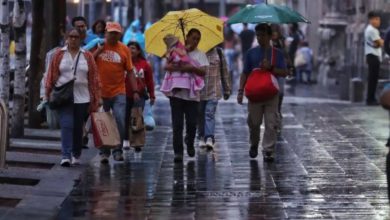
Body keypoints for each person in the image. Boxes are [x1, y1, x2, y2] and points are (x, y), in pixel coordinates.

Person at [45, 28, 101, 166]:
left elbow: (94, 78)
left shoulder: (87, 55)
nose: (74, 39)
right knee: (66, 125)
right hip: (64, 96)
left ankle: (76, 154)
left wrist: (96, 98)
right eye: (71, 36)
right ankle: (65, 155)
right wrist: (47, 93)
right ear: (67, 38)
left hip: (83, 97)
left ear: (81, 39)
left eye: (76, 37)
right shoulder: (59, 54)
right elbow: (51, 75)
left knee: (77, 128)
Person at [237, 24, 287, 162]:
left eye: (263, 35)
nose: (260, 38)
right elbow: (245, 73)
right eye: (258, 35)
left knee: (271, 123)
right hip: (255, 94)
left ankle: (268, 150)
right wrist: (240, 91)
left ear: (270, 36)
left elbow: (284, 72)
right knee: (254, 123)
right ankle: (254, 143)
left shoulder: (277, 53)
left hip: (271, 94)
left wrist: (270, 67)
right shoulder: (251, 53)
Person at [93, 22, 140, 163]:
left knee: (120, 120)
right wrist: (98, 51)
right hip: (101, 92)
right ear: (106, 33)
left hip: (119, 91)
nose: (113, 35)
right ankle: (104, 151)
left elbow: (130, 71)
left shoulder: (124, 49)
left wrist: (136, 90)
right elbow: (88, 62)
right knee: (103, 123)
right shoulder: (98, 45)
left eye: (116, 33)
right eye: (110, 32)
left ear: (120, 34)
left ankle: (117, 150)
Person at [164, 28, 209, 163]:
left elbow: (203, 72)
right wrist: (182, 62)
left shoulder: (201, 55)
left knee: (191, 123)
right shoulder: (176, 50)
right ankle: (178, 152)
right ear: (187, 37)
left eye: (198, 39)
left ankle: (189, 143)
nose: (195, 41)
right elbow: (167, 67)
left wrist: (191, 68)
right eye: (193, 38)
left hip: (193, 96)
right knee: (177, 124)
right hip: (176, 94)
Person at [198, 46, 231, 149]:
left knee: (209, 114)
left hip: (214, 91)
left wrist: (226, 89)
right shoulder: (196, 52)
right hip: (199, 91)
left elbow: (224, 72)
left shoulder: (219, 52)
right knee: (200, 115)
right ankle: (201, 137)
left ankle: (209, 137)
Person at [125, 41, 155, 152]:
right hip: (125, 94)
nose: (130, 50)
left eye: (133, 48)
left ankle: (137, 142)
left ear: (138, 51)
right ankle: (126, 140)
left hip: (140, 96)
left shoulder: (145, 64)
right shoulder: (123, 62)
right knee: (125, 117)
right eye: (128, 48)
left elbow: (150, 81)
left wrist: (152, 95)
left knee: (136, 118)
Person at [160, 34, 204, 98]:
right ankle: (176, 88)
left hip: (187, 84)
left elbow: (183, 54)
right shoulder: (172, 51)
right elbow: (166, 65)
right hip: (178, 80)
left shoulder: (178, 48)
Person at [364, 11, 383, 105]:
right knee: (373, 78)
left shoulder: (371, 29)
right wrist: (382, 41)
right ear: (371, 20)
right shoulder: (372, 30)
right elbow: (380, 43)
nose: (378, 21)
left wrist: (380, 42)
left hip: (372, 55)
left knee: (373, 78)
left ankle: (371, 98)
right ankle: (370, 99)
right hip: (373, 56)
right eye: (376, 19)